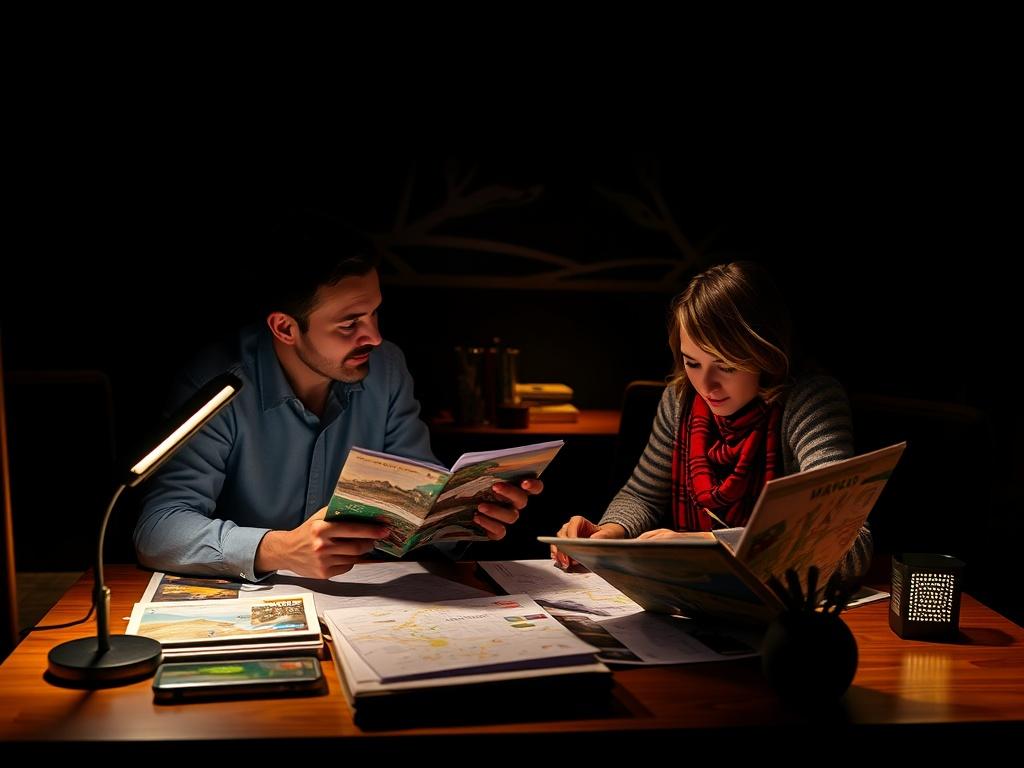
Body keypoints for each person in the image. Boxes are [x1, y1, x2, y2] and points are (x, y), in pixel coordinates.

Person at [135, 221, 542, 582]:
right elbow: (158, 529)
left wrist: (465, 517)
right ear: (285, 328)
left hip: (366, 600)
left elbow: (418, 494)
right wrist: (278, 549)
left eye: (374, 314)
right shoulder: (218, 385)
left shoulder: (386, 369)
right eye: (350, 323)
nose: (374, 337)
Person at [550, 260, 872, 581]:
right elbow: (643, 496)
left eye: (727, 366)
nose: (705, 385)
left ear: (766, 354)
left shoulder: (808, 402)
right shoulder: (680, 400)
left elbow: (848, 545)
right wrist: (607, 535)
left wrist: (711, 545)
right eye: (692, 362)